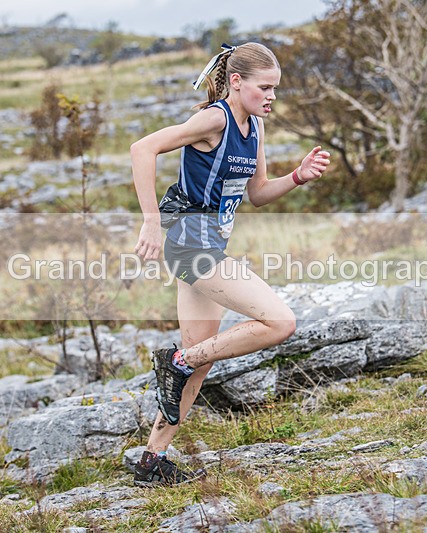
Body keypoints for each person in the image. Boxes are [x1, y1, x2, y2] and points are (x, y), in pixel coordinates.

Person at [130, 42, 330, 487]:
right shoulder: (215, 119)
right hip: (189, 247)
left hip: (209, 248)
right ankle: (176, 360)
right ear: (236, 82)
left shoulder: (254, 128)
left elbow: (256, 193)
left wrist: (297, 176)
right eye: (265, 87)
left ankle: (151, 460)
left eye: (276, 88)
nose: (272, 96)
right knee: (279, 321)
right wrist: (149, 222)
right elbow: (142, 149)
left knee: (201, 364)